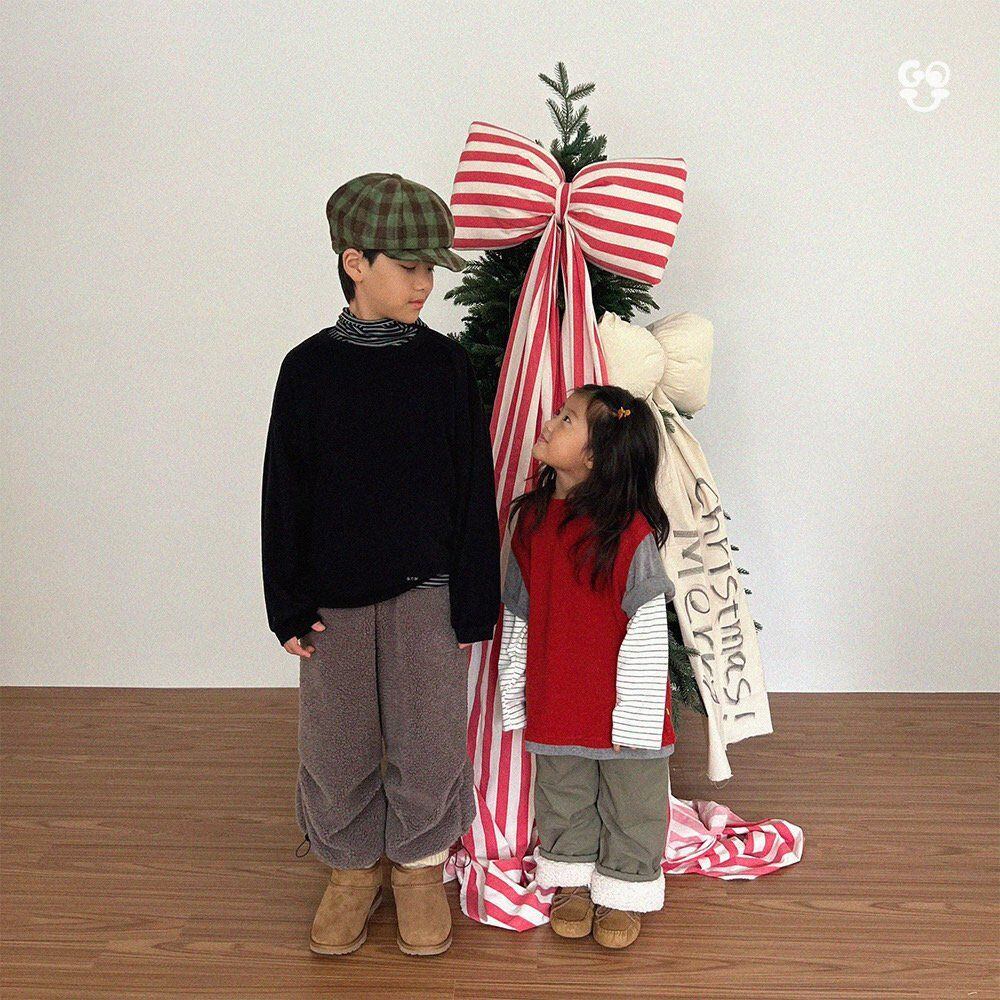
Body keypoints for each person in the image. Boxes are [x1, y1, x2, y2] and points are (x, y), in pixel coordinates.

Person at [261, 172, 501, 956]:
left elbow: (473, 487)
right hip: (332, 598)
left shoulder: (444, 367)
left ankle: (419, 870)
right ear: (355, 262)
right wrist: (287, 604)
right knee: (337, 743)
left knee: (430, 737)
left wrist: (474, 599)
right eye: (409, 267)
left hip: (427, 592)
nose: (425, 283)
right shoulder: (307, 370)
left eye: (432, 268)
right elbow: (283, 492)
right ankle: (350, 871)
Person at [497, 384, 677, 950]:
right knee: (563, 793)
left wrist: (638, 718)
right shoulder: (531, 522)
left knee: (633, 801)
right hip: (557, 696)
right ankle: (570, 877)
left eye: (567, 419)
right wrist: (516, 689)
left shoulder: (630, 533)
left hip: (624, 707)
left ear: (595, 457)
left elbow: (647, 629)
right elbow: (519, 611)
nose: (550, 422)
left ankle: (626, 886)